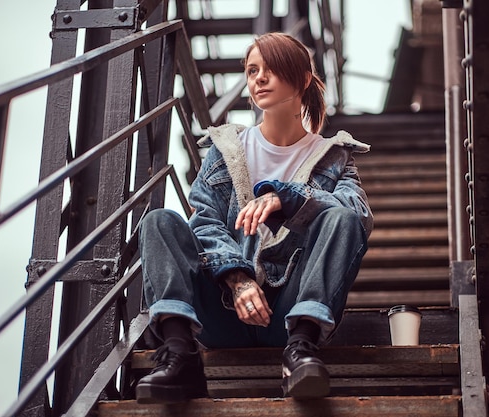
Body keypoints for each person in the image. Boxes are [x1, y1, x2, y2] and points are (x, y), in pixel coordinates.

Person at [135, 32, 373, 404]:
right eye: (251, 70)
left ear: (303, 78)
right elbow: (206, 222)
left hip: (289, 316)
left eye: (271, 68)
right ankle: (181, 354)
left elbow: (356, 215)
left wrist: (288, 197)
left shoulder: (333, 157)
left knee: (341, 217)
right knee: (159, 221)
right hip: (224, 310)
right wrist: (238, 279)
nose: (258, 78)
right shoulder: (226, 148)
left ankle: (301, 352)